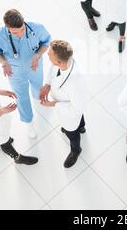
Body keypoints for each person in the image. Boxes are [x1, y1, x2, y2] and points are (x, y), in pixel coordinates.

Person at [0, 9, 51, 139]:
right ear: (7, 28)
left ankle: (37, 98)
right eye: (15, 32)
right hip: (15, 72)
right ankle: (29, 122)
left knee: (37, 86)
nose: (20, 35)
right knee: (21, 97)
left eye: (22, 30)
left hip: (35, 67)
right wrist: (4, 62)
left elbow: (46, 43)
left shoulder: (37, 27)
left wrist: (38, 54)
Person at [39, 40, 86, 168]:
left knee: (71, 132)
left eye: (49, 55)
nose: (47, 56)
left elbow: (77, 108)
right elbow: (53, 70)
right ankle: (82, 126)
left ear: (59, 62)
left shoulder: (76, 82)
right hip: (66, 103)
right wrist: (47, 85)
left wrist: (53, 104)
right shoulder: (63, 61)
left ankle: (76, 150)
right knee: (79, 123)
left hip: (70, 112)